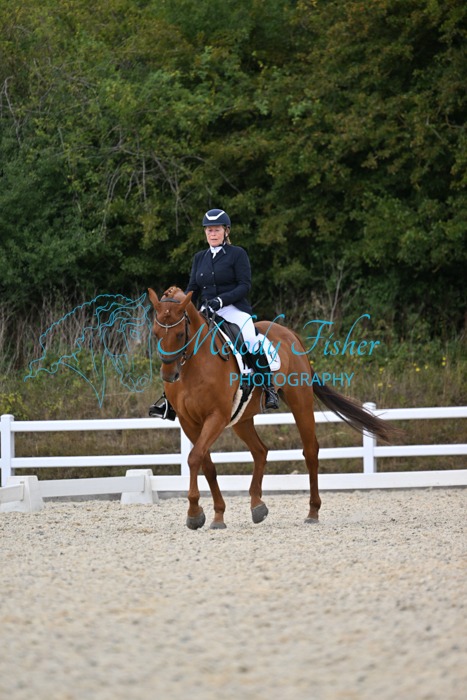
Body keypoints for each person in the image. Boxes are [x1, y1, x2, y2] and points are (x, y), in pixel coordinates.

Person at [149, 208, 279, 419]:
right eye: (209, 230)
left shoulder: (237, 254)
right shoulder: (199, 257)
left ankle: (268, 387)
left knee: (249, 338)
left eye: (217, 230)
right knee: (181, 340)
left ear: (226, 231)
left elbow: (244, 285)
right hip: (206, 311)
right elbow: (192, 288)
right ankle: (170, 400)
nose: (213, 233)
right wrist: (182, 304)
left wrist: (221, 300)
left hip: (233, 309)